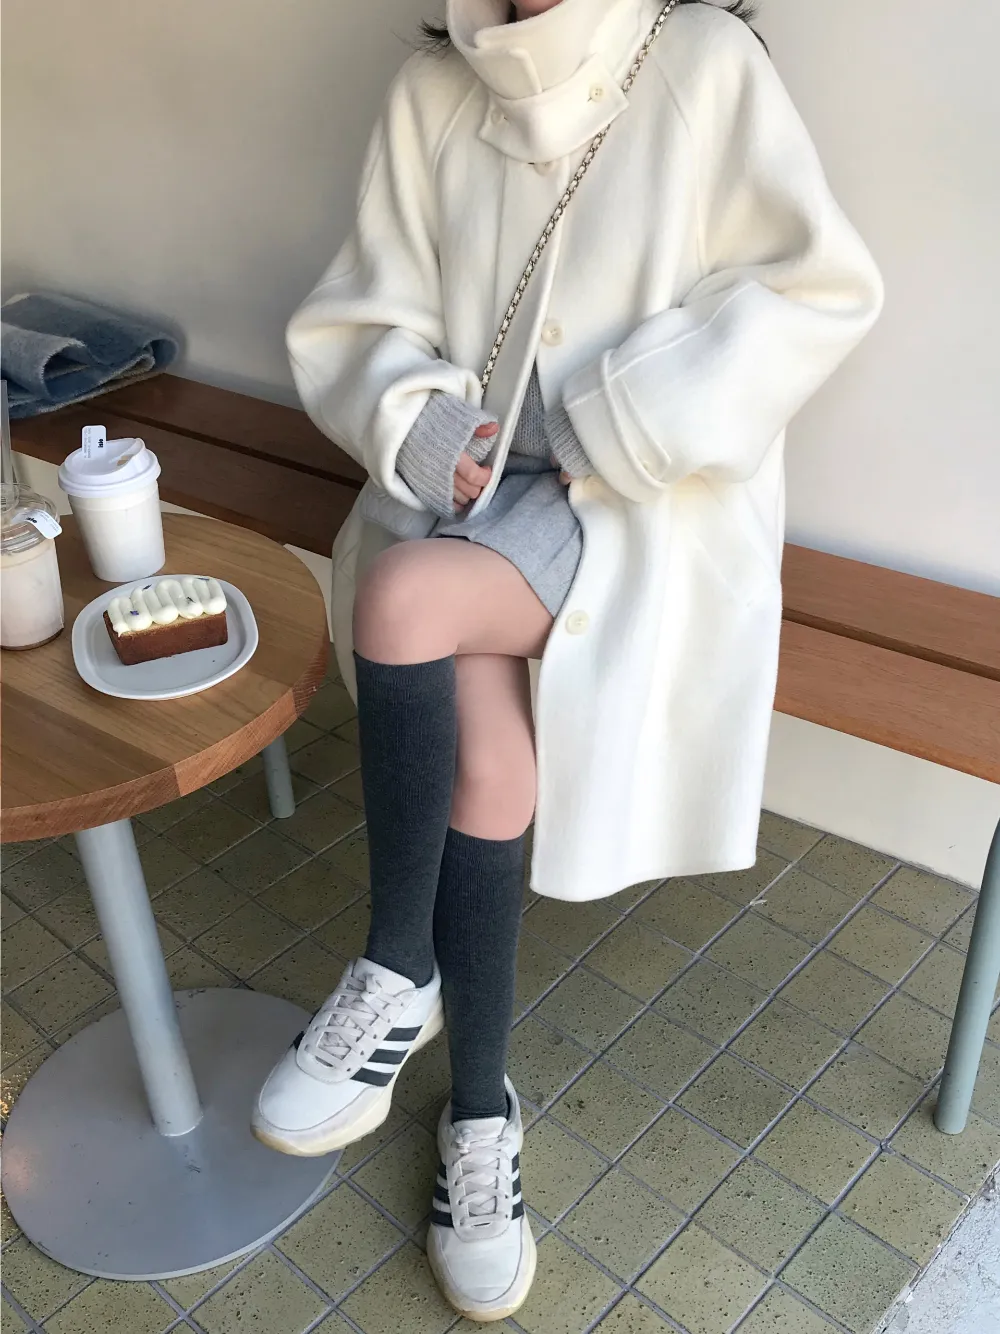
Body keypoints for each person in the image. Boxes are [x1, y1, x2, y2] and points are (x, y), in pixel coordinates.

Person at [253, 0, 883, 1319]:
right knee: (489, 770)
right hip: (472, 496)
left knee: (404, 600)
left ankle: (396, 965)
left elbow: (816, 289)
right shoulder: (433, 91)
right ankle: (479, 1116)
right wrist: (417, 424)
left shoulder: (699, 60)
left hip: (637, 503)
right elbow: (362, 311)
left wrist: (624, 415)